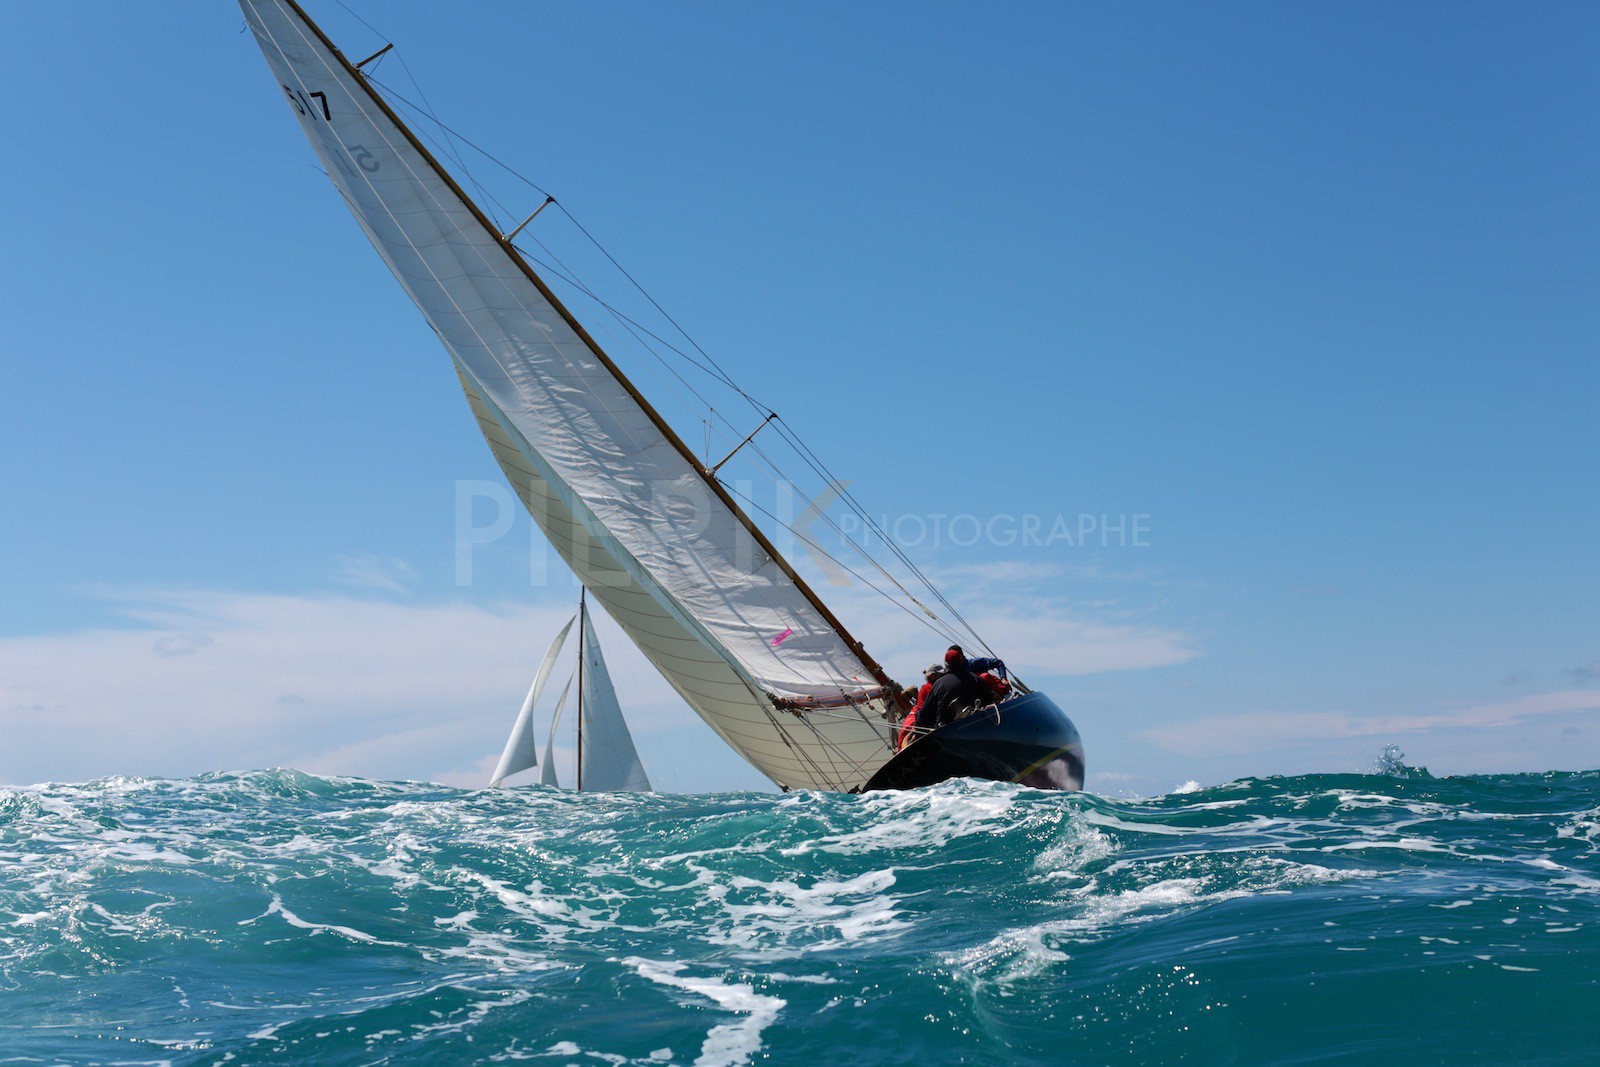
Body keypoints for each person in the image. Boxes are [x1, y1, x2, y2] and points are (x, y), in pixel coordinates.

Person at [919, 647, 999, 731]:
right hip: (980, 726)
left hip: (949, 733)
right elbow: (989, 699)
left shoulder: (938, 684)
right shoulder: (974, 678)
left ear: (946, 664)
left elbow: (924, 715)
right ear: (961, 661)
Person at [896, 663, 944, 751]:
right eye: (941, 674)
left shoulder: (929, 687)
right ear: (933, 676)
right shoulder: (928, 688)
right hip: (926, 724)